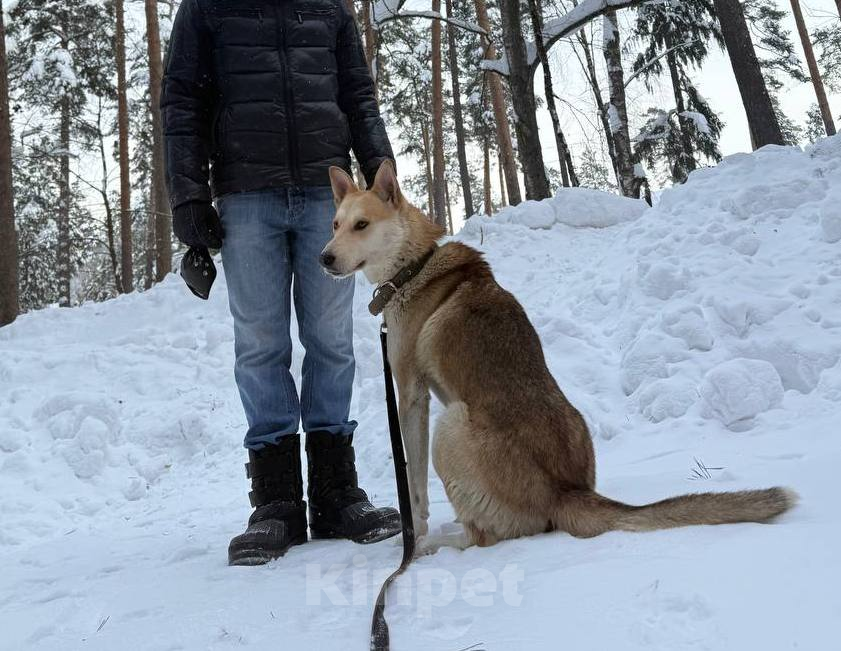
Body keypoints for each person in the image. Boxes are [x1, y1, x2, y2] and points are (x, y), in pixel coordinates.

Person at [161, 0, 400, 566]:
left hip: (327, 195)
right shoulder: (205, 7)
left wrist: (379, 170)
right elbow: (182, 101)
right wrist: (188, 195)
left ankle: (337, 494)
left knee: (331, 341)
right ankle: (277, 503)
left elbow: (358, 94)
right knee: (261, 343)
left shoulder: (330, 8)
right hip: (245, 195)